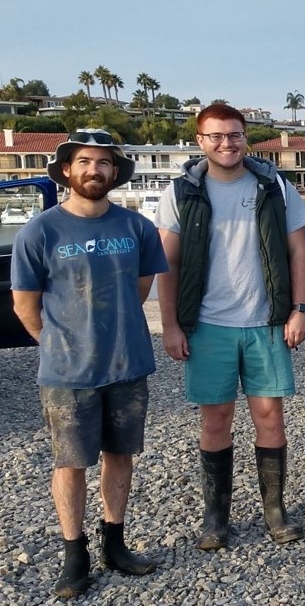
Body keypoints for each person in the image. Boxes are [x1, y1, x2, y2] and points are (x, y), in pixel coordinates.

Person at [11, 130, 168, 598]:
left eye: (103, 163)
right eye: (84, 161)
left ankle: (114, 542)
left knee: (120, 455)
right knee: (71, 462)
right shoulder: (40, 231)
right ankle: (74, 554)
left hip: (128, 363)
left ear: (115, 172)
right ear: (66, 170)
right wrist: (60, 345)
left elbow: (141, 290)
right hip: (67, 373)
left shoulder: (135, 228)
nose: (94, 170)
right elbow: (25, 306)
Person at [156, 103, 305, 549]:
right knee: (216, 419)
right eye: (216, 136)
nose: (227, 144)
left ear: (246, 138)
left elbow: (298, 252)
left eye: (235, 135)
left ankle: (275, 511)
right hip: (207, 325)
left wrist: (300, 309)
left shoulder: (275, 186)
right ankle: (215, 517)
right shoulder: (181, 191)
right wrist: (171, 325)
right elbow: (168, 262)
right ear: (200, 141)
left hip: (266, 322)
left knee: (270, 416)